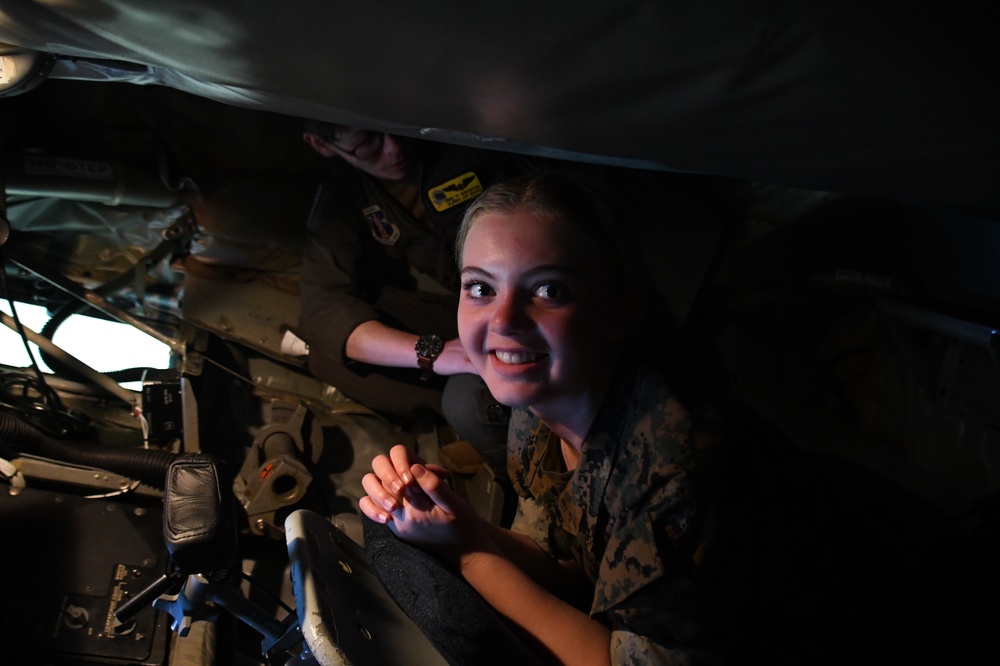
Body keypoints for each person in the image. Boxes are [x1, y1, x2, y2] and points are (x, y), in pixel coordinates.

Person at [357, 173, 738, 665]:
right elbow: (567, 567)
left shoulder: (680, 482)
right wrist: (457, 521)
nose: (503, 321)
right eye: (480, 287)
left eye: (549, 290)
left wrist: (468, 552)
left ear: (616, 311)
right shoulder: (536, 409)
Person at [298, 121, 531, 472]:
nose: (394, 148)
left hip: (526, 297)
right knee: (325, 350)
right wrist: (432, 353)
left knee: (467, 403)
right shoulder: (346, 189)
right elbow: (322, 305)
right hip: (470, 306)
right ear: (321, 144)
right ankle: (498, 429)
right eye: (368, 142)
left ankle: (507, 436)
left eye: (397, 127)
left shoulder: (463, 139)